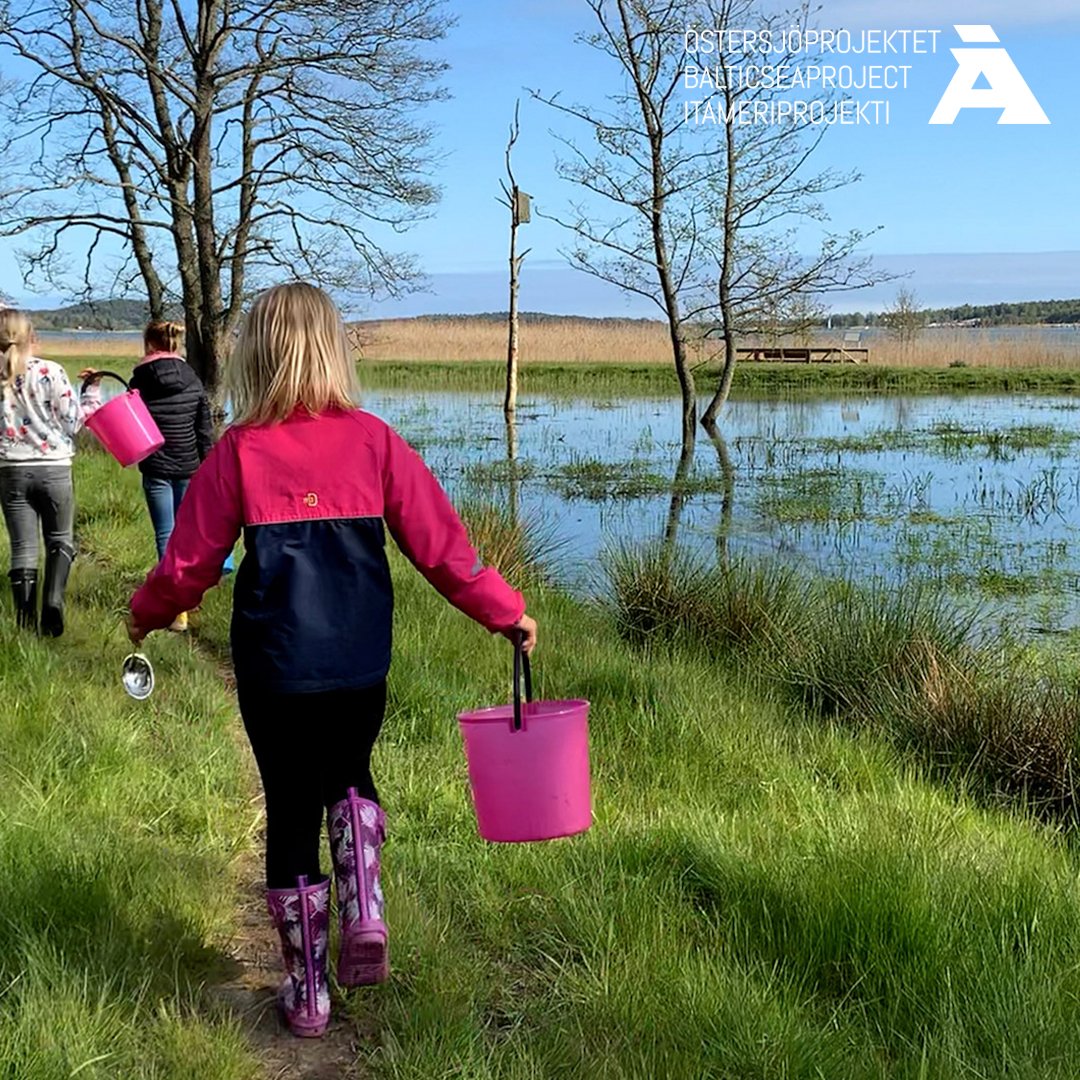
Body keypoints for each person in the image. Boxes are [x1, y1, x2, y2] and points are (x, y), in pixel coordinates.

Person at [127, 282, 538, 1039]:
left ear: (258, 355)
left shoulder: (239, 452)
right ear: (335, 349)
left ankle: (308, 995)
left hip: (276, 666)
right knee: (350, 770)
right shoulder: (376, 440)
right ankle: (366, 905)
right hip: (358, 660)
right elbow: (443, 550)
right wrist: (505, 613)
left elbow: (187, 566)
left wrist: (143, 616)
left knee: (288, 810)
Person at [82, 320, 232, 633]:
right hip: (190, 467)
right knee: (190, 534)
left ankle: (176, 610)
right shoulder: (193, 379)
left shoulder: (139, 380)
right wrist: (211, 467)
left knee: (165, 535)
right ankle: (192, 593)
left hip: (156, 468)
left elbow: (126, 422)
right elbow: (204, 431)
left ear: (149, 345)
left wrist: (91, 387)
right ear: (176, 344)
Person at [0, 309, 100, 635]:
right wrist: (91, 392)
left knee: (23, 548)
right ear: (32, 337)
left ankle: (25, 622)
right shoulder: (51, 371)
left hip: (11, 470)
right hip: (54, 468)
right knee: (59, 539)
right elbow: (74, 422)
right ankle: (53, 602)